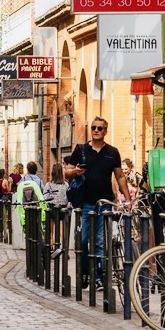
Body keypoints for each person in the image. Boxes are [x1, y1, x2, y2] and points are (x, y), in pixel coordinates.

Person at [63, 117, 129, 277]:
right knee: (84, 240)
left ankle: (100, 277)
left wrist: (127, 199)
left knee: (100, 241)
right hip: (85, 202)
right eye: (93, 128)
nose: (96, 131)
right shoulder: (81, 150)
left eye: (100, 128)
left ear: (105, 131)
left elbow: (120, 176)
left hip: (105, 202)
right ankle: (86, 272)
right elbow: (67, 172)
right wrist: (75, 172)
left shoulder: (112, 152)